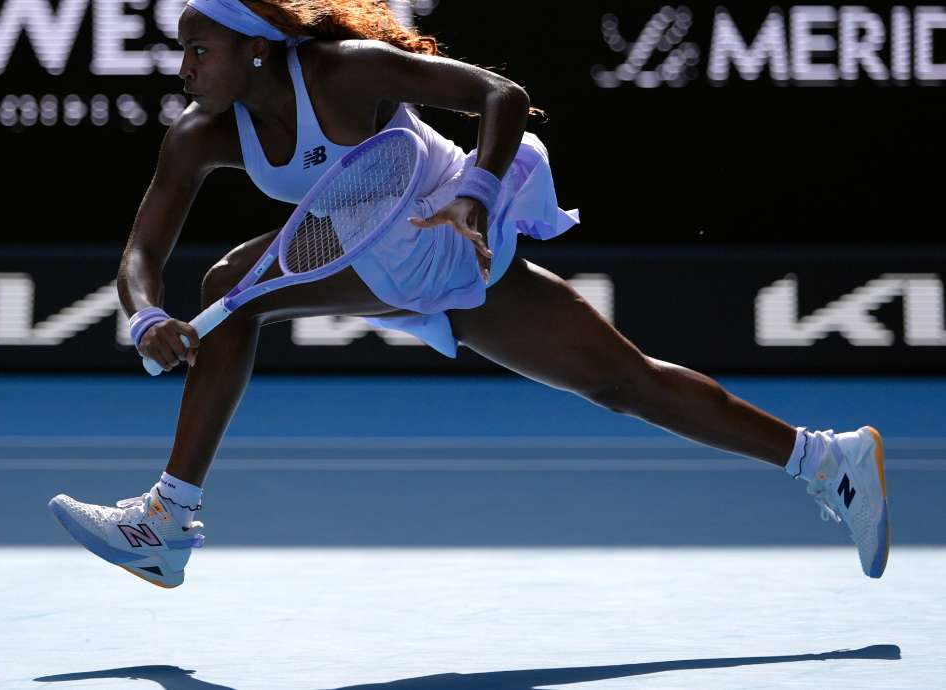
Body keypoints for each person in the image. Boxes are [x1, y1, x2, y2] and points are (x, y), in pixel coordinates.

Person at [48, 0, 890, 588]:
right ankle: (829, 461)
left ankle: (164, 521)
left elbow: (502, 96)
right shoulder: (198, 135)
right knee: (623, 382)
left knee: (236, 285)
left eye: (200, 49)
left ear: (254, 49)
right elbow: (140, 251)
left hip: (450, 231)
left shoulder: (341, 74)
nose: (184, 68)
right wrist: (147, 315)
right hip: (396, 261)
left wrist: (476, 194)